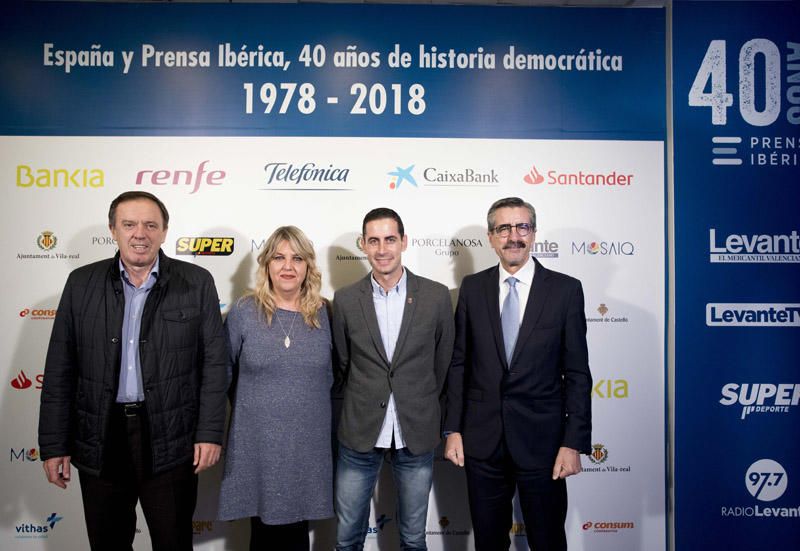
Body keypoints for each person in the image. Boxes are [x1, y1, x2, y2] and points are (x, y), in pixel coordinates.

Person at [38, 191, 228, 551]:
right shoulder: (81, 284)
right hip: (101, 437)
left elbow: (214, 366)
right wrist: (53, 444)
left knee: (173, 542)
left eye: (150, 225)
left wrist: (210, 433)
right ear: (113, 230)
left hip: (171, 437)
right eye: (129, 224)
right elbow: (60, 368)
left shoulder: (196, 282)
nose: (140, 233)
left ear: (164, 231)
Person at [443, 197, 592, 551]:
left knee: (548, 540)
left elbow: (577, 373)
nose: (514, 236)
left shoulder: (565, 290)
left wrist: (573, 442)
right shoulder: (473, 288)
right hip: (483, 442)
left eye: (522, 227)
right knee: (489, 542)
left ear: (534, 233)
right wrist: (453, 429)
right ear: (491, 237)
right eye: (504, 228)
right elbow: (459, 363)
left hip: (544, 443)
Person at [332, 208, 455, 551]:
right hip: (359, 431)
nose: (382, 249)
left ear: (404, 241)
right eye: (373, 241)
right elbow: (343, 362)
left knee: (414, 538)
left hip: (416, 430)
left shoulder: (436, 296)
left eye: (390, 239)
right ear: (363, 245)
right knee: (346, 538)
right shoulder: (344, 299)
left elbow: (442, 362)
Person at [218, 226, 334, 551]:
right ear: (266, 264)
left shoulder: (327, 314)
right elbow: (223, 375)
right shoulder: (244, 312)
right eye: (279, 257)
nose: (288, 266)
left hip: (307, 448)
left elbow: (337, 377)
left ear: (308, 265)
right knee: (264, 535)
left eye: (297, 258)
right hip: (258, 446)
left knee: (297, 534)